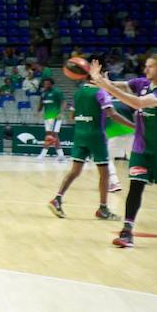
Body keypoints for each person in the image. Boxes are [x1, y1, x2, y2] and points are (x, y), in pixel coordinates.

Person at [87, 55, 157, 249]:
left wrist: (106, 87)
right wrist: (102, 80)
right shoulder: (142, 83)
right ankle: (127, 231)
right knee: (135, 186)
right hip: (142, 148)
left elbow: (138, 103)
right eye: (145, 67)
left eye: (150, 67)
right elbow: (121, 86)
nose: (145, 70)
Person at [49, 69, 133, 219]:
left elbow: (73, 116)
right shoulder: (100, 93)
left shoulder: (78, 93)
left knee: (74, 171)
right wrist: (134, 126)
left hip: (80, 135)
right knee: (105, 174)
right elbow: (112, 114)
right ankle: (103, 209)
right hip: (96, 136)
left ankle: (58, 198)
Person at [36, 78, 65, 159]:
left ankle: (43, 154)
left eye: (48, 84)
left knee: (52, 135)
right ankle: (61, 155)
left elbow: (63, 102)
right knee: (52, 136)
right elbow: (41, 103)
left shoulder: (57, 92)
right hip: (47, 117)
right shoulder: (43, 93)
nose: (46, 85)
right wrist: (38, 111)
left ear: (52, 84)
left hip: (55, 116)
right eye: (45, 84)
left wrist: (61, 112)